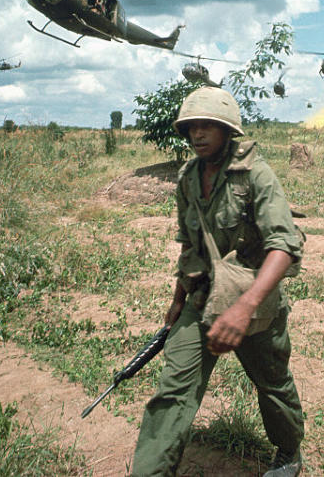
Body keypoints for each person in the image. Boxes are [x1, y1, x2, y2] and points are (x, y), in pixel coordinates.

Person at [130, 87, 305, 477]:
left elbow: (284, 247)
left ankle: (289, 452)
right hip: (203, 300)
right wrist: (178, 299)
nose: (198, 134)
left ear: (228, 130)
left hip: (254, 301)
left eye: (208, 125)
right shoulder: (188, 178)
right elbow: (190, 245)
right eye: (192, 127)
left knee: (272, 384)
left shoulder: (256, 175)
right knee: (173, 392)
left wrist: (245, 309)